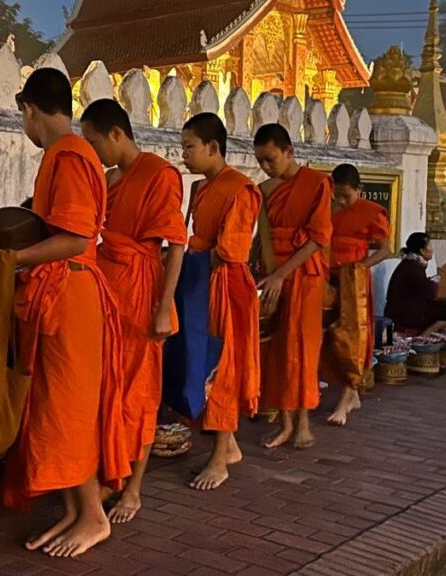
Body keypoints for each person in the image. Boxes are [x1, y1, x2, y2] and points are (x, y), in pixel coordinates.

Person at [5, 68, 128, 558]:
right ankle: (77, 510)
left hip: (72, 294)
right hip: (64, 291)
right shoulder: (65, 155)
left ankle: (95, 517)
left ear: (30, 109)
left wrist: (9, 259)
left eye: (23, 117)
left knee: (69, 407)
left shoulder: (71, 155)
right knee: (59, 404)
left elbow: (78, 238)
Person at [79, 99, 187, 524]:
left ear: (117, 135)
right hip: (107, 292)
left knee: (139, 395)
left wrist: (164, 309)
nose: (93, 151)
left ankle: (134, 490)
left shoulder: (160, 174)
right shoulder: (108, 179)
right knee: (106, 390)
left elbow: (175, 244)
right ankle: (109, 474)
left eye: (94, 141)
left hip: (142, 293)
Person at [181, 112, 260, 490]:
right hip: (203, 280)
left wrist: (182, 256)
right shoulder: (205, 187)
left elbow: (231, 250)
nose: (185, 156)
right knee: (204, 360)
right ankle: (228, 447)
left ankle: (219, 459)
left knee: (221, 367)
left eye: (189, 148)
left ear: (213, 148)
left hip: (226, 285)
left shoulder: (240, 188)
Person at [251, 124, 330, 447]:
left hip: (303, 275)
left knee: (302, 349)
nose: (267, 167)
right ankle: (284, 422)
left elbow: (318, 238)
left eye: (271, 159)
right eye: (261, 162)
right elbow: (263, 237)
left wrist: (283, 273)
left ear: (289, 152)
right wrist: (255, 268)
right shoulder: (265, 190)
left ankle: (304, 423)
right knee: (274, 348)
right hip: (272, 275)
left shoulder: (317, 184)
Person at [323, 164, 390, 426]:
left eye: (346, 196)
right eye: (336, 195)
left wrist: (362, 266)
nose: (340, 201)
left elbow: (384, 249)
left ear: (359, 190)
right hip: (328, 279)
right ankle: (351, 393)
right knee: (330, 334)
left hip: (355, 281)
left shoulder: (372, 212)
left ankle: (346, 398)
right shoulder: (327, 210)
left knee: (354, 336)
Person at [385, 232, 446, 335]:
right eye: (430, 245)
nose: (432, 249)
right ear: (422, 250)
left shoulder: (411, 264)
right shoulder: (412, 267)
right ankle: (425, 335)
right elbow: (431, 292)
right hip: (405, 314)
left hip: (407, 309)